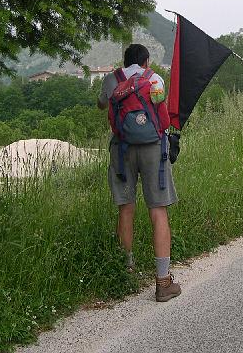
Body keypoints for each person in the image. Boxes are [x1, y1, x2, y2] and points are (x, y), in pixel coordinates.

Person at [98, 44, 181, 301]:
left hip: (122, 148)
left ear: (124, 61)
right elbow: (161, 107)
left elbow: (102, 105)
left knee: (126, 207)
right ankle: (163, 281)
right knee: (158, 210)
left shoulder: (112, 79)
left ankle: (126, 271)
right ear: (146, 61)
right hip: (153, 150)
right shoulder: (154, 78)